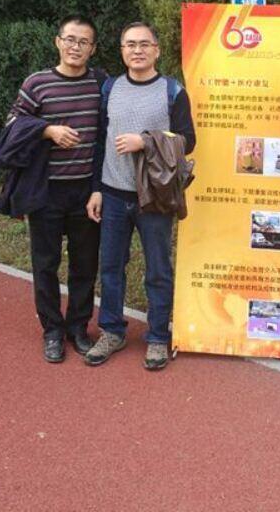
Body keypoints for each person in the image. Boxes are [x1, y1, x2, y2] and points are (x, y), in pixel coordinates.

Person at [85, 21, 195, 370]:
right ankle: (112, 331)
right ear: (122, 51)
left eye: (144, 44)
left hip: (156, 197)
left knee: (158, 269)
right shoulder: (110, 88)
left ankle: (158, 336)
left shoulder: (172, 91)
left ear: (156, 50)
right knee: (111, 266)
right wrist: (96, 189)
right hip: (113, 193)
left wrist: (145, 141)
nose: (137, 50)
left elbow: (188, 140)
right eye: (130, 44)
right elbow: (100, 141)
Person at [9, 15, 102, 363]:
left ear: (93, 49)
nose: (76, 47)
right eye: (70, 39)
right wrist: (47, 131)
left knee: (84, 264)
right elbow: (13, 123)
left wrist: (98, 188)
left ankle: (78, 327)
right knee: (45, 264)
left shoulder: (100, 83)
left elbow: (106, 135)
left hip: (86, 191)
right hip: (46, 191)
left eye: (84, 42)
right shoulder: (37, 83)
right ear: (58, 42)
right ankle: (51, 330)